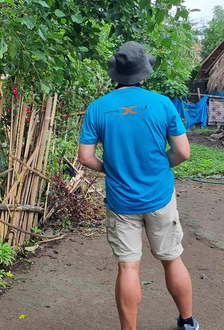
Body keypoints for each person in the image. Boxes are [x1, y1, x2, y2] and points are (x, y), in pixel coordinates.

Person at [78, 41, 199, 330]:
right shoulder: (162, 103)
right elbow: (183, 152)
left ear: (115, 74)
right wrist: (156, 166)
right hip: (159, 197)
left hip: (121, 202)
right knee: (172, 259)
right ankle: (188, 322)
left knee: (128, 266)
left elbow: (85, 157)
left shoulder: (98, 108)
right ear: (143, 74)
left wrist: (112, 168)